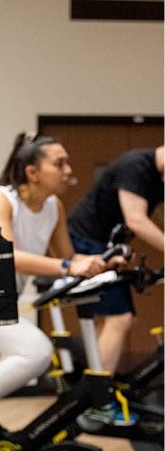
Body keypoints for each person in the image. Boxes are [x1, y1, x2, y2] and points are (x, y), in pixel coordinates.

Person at [0, 132, 124, 436]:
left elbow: (67, 257)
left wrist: (101, 263)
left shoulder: (53, 206)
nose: (69, 170)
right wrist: (69, 266)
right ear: (33, 172)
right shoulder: (0, 199)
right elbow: (7, 254)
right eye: (60, 163)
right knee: (36, 351)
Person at [67, 146, 164, 376]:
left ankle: (93, 394)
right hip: (87, 243)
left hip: (103, 246)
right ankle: (98, 402)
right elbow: (136, 220)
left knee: (108, 321)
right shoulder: (136, 166)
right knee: (119, 318)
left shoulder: (157, 178)